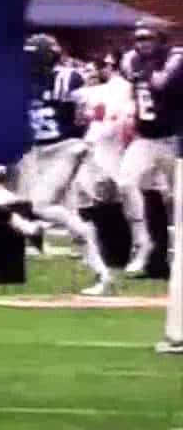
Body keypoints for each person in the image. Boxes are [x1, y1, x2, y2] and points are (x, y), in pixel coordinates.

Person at [19, 36, 112, 295]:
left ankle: (85, 234)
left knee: (42, 204)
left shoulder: (67, 79)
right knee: (50, 209)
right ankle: (101, 271)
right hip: (39, 152)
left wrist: (86, 143)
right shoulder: (23, 81)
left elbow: (90, 115)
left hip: (66, 148)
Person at [119, 28, 183, 278]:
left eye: (147, 38)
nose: (141, 43)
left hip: (175, 138)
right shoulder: (131, 58)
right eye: (138, 38)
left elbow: (161, 82)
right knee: (127, 183)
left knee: (177, 198)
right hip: (146, 137)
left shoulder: (175, 56)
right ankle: (145, 245)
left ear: (161, 39)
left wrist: (143, 71)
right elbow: (128, 71)